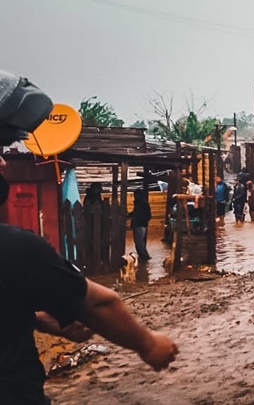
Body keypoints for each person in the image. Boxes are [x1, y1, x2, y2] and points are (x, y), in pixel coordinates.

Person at [0, 69, 177, 405]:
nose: (5, 164)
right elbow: (99, 303)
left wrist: (37, 318)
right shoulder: (15, 250)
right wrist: (149, 345)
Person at [128, 189, 152, 262]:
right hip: (139, 224)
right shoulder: (140, 203)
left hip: (140, 225)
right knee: (139, 242)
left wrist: (141, 219)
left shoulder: (142, 204)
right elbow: (136, 213)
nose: (135, 196)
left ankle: (145, 257)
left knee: (139, 242)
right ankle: (143, 257)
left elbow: (147, 215)